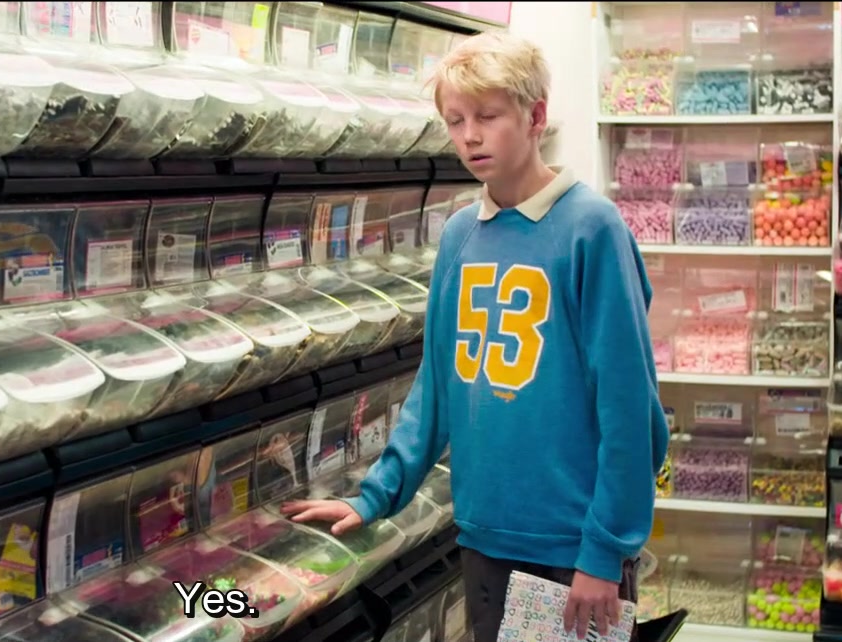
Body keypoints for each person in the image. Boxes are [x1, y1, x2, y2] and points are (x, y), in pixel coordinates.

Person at [280, 31, 669, 642]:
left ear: (535, 116)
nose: (469, 137)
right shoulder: (461, 236)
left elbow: (629, 407)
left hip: (575, 549)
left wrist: (604, 550)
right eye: (455, 120)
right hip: (484, 537)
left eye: (488, 116)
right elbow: (437, 387)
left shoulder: (592, 228)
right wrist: (374, 496)